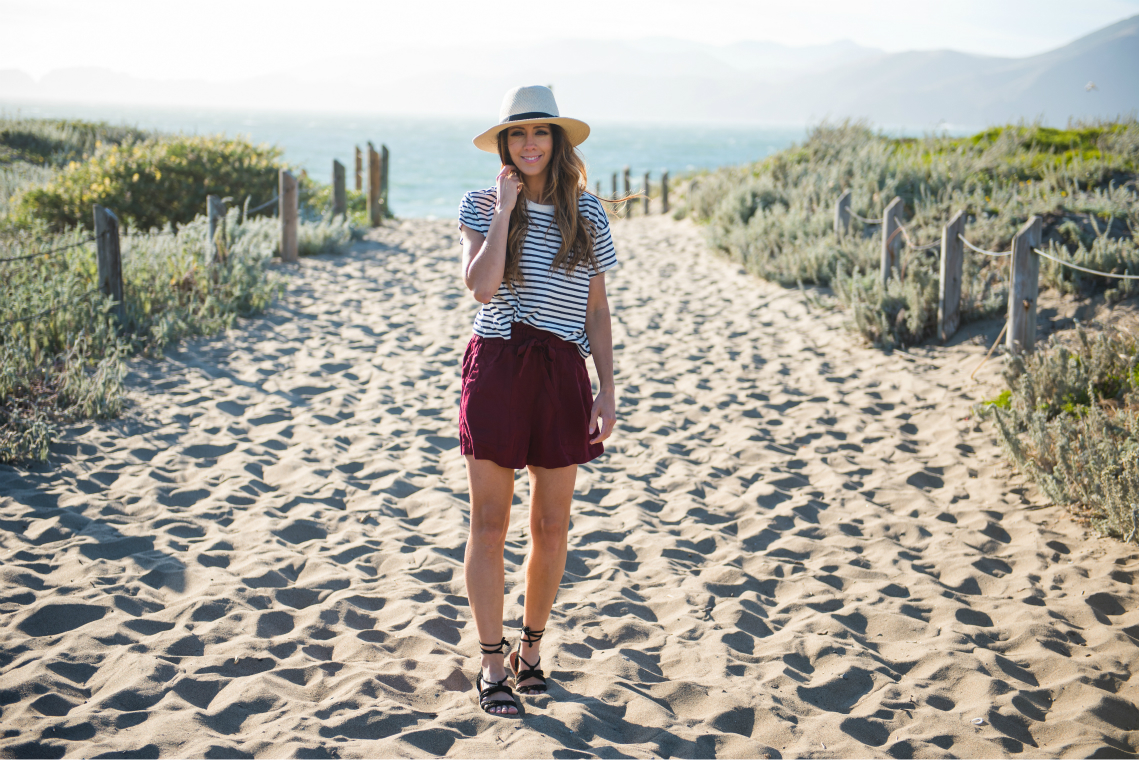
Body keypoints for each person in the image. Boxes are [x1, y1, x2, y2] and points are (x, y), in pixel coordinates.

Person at [457, 85, 617, 716]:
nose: (529, 143)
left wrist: (608, 386)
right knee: (489, 524)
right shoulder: (478, 203)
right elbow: (482, 290)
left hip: (561, 371)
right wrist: (503, 211)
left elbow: (597, 309)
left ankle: (532, 651)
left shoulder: (590, 214)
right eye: (518, 134)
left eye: (541, 133)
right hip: (497, 367)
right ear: (504, 144)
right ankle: (492, 662)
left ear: (558, 142)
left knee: (551, 526)